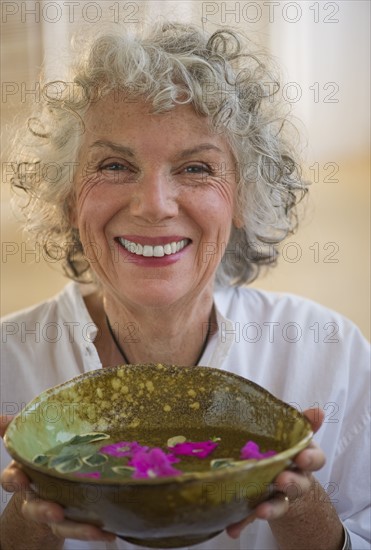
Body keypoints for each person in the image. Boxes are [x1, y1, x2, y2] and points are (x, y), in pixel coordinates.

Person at [0, 21, 369, 550]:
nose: (154, 203)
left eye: (196, 167)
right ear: (68, 197)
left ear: (241, 198)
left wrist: (303, 508)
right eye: (114, 165)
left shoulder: (333, 357)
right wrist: (28, 519)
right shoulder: (6, 362)